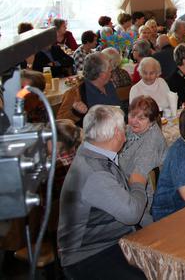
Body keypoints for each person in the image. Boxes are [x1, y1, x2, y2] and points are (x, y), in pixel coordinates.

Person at [58, 105, 147, 279]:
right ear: (116, 133)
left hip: (111, 242)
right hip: (89, 255)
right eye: (124, 128)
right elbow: (132, 214)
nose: (126, 131)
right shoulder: (95, 172)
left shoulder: (93, 153)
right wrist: (138, 184)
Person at [118, 96, 167, 221]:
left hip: (142, 203)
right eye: (132, 115)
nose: (134, 121)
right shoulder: (131, 130)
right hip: (124, 186)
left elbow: (138, 178)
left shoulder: (151, 142)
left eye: (141, 118)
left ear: (151, 121)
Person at [57, 53, 120, 125]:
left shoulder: (109, 85)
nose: (111, 70)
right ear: (102, 74)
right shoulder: (75, 93)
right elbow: (60, 124)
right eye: (109, 69)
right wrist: (76, 112)